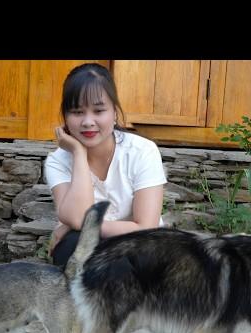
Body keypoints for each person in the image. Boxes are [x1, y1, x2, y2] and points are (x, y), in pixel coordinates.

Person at [44, 63, 167, 267]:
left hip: (140, 246)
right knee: (70, 246)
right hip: (92, 246)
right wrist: (78, 153)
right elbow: (76, 217)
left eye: (99, 110)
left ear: (115, 113)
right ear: (65, 117)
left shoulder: (142, 151)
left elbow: (146, 227)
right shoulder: (58, 160)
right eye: (77, 112)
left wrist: (77, 226)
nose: (88, 122)